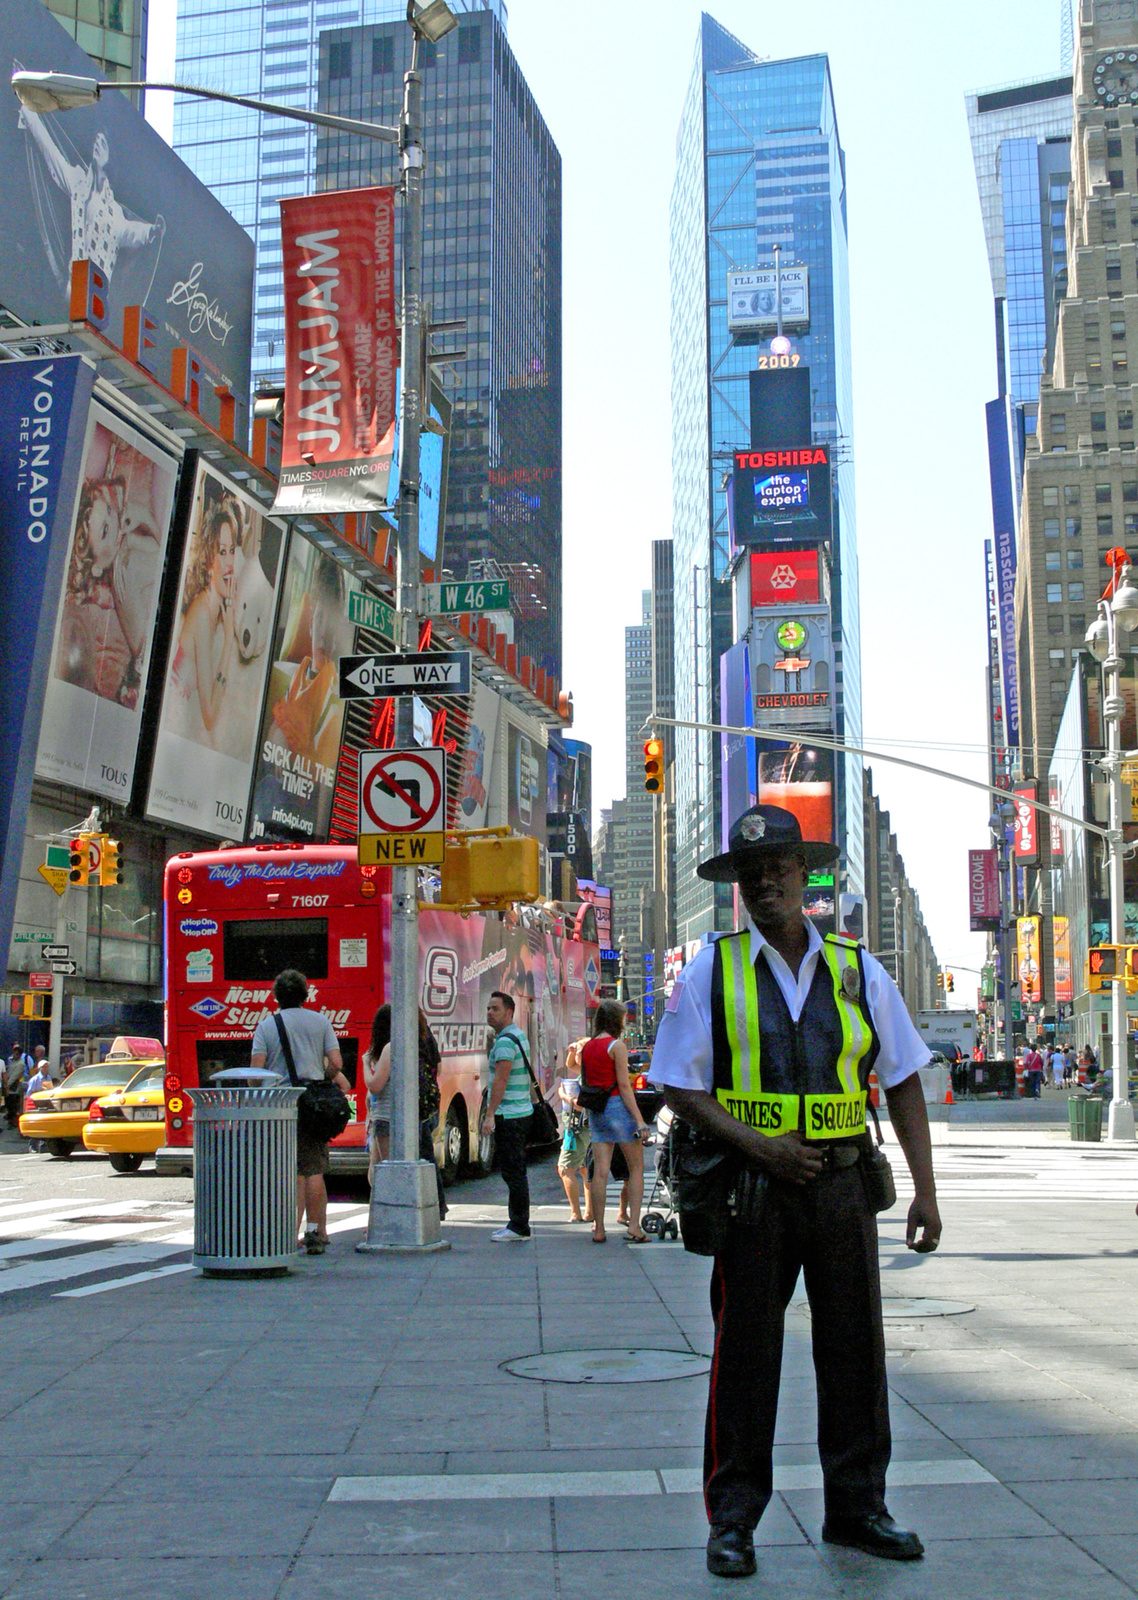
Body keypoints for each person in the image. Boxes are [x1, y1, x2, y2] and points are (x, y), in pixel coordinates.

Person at [648, 804, 940, 1579]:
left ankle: (857, 1509)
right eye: (750, 875)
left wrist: (925, 1192)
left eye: (777, 870)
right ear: (738, 888)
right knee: (746, 1354)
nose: (763, 886)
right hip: (752, 1191)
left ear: (804, 877)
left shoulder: (857, 967)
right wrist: (763, 1150)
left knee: (854, 1352)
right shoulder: (712, 966)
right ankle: (733, 1520)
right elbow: (678, 1085)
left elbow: (903, 1077)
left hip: (843, 1187)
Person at [250, 968, 351, 1255]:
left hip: (280, 1105)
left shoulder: (267, 1026)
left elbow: (256, 1073)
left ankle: (289, 1234)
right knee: (314, 1168)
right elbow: (336, 1062)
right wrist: (322, 1076)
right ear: (305, 995)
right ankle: (316, 1231)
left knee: (290, 1170)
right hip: (313, 1103)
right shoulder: (320, 1021)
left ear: (277, 996)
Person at [167, 490, 239, 744]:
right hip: (168, 731)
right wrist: (230, 640)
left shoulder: (215, 613)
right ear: (209, 560)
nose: (229, 561)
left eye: (231, 550)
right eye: (221, 551)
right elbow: (210, 716)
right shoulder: (201, 613)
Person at [581, 1000, 651, 1244]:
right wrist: (640, 1120)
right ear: (615, 1021)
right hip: (617, 1107)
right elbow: (624, 1085)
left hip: (597, 1110)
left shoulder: (587, 1046)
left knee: (600, 1171)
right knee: (636, 1168)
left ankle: (599, 1229)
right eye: (623, 1018)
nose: (625, 1022)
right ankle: (634, 1225)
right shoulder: (616, 1046)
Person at [480, 991, 533, 1243]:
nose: (490, 1012)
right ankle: (518, 1223)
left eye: (495, 1009)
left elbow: (500, 1080)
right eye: (488, 1008)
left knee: (513, 1172)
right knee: (516, 1171)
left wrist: (489, 1115)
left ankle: (519, 1225)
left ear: (509, 1012)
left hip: (509, 1115)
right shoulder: (518, 1035)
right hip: (521, 1111)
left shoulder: (504, 1042)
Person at [556, 1037, 592, 1223]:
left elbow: (583, 1106)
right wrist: (572, 1049)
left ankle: (576, 1212)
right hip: (584, 1127)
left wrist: (564, 1097)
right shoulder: (588, 1071)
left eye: (579, 1051)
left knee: (565, 1168)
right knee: (585, 1169)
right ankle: (589, 1212)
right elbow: (569, 1064)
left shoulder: (587, 1076)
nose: (576, 1055)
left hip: (578, 1126)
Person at [362, 1004, 392, 1183]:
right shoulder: (405, 1044)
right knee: (378, 1167)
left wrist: (366, 1064)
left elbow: (375, 1086)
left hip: (385, 1117)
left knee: (382, 1171)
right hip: (386, 1117)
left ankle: (382, 1208)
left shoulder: (389, 1048)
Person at [3, 1049, 31, 1131]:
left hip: (14, 1088)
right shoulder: (13, 1062)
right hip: (9, 1087)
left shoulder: (20, 1064)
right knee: (9, 1104)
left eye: (16, 1054)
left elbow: (14, 1076)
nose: (14, 1055)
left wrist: (7, 1085)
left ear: (19, 1055)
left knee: (13, 1106)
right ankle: (10, 1121)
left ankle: (13, 1122)